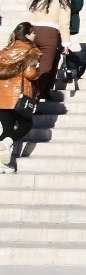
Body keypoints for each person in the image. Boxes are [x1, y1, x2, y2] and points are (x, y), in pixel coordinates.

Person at [27, 0, 80, 97]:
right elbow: (64, 22)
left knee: (33, 64)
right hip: (49, 33)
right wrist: (66, 43)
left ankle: (39, 90)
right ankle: (39, 93)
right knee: (46, 67)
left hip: (32, 31)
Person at [0, 25, 43, 173]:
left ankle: (3, 165)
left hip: (2, 96)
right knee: (26, 125)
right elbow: (30, 73)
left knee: (7, 129)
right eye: (33, 33)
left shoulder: (4, 51)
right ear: (27, 35)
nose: (35, 35)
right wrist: (38, 72)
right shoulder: (31, 51)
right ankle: (6, 143)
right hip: (19, 97)